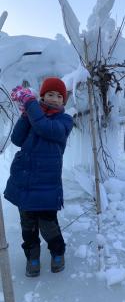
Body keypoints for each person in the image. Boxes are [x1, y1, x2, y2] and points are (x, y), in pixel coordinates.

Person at [4, 77, 73, 277]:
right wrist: (26, 114)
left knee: (48, 225)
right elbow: (17, 139)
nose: (54, 99)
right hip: (24, 182)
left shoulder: (64, 121)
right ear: (42, 96)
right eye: (50, 94)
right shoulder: (34, 116)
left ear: (64, 101)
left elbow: (45, 128)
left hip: (46, 186)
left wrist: (31, 104)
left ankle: (57, 251)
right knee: (28, 227)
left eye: (59, 96)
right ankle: (32, 257)